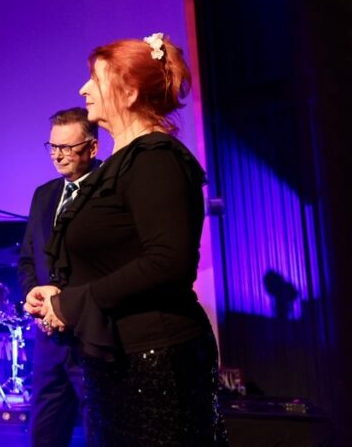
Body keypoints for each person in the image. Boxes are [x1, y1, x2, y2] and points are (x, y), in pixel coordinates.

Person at [27, 33, 226, 445]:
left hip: (154, 361)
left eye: (95, 80)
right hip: (119, 358)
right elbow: (114, 257)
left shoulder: (156, 158)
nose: (83, 89)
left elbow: (168, 262)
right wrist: (55, 292)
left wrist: (74, 302)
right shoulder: (116, 166)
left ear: (130, 92)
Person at [16, 107, 98, 447]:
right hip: (49, 343)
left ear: (92, 148)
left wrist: (65, 305)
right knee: (44, 435)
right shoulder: (44, 194)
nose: (58, 156)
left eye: (67, 148)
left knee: (101, 431)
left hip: (91, 338)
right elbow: (27, 260)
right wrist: (35, 295)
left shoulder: (108, 191)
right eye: (52, 147)